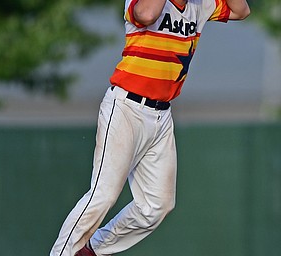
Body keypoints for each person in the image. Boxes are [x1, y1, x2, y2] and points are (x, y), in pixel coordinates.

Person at [50, 0, 250, 255]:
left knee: (158, 204)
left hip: (161, 115)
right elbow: (146, 14)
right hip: (126, 107)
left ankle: (93, 249)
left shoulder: (200, 5)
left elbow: (241, 10)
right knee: (104, 194)